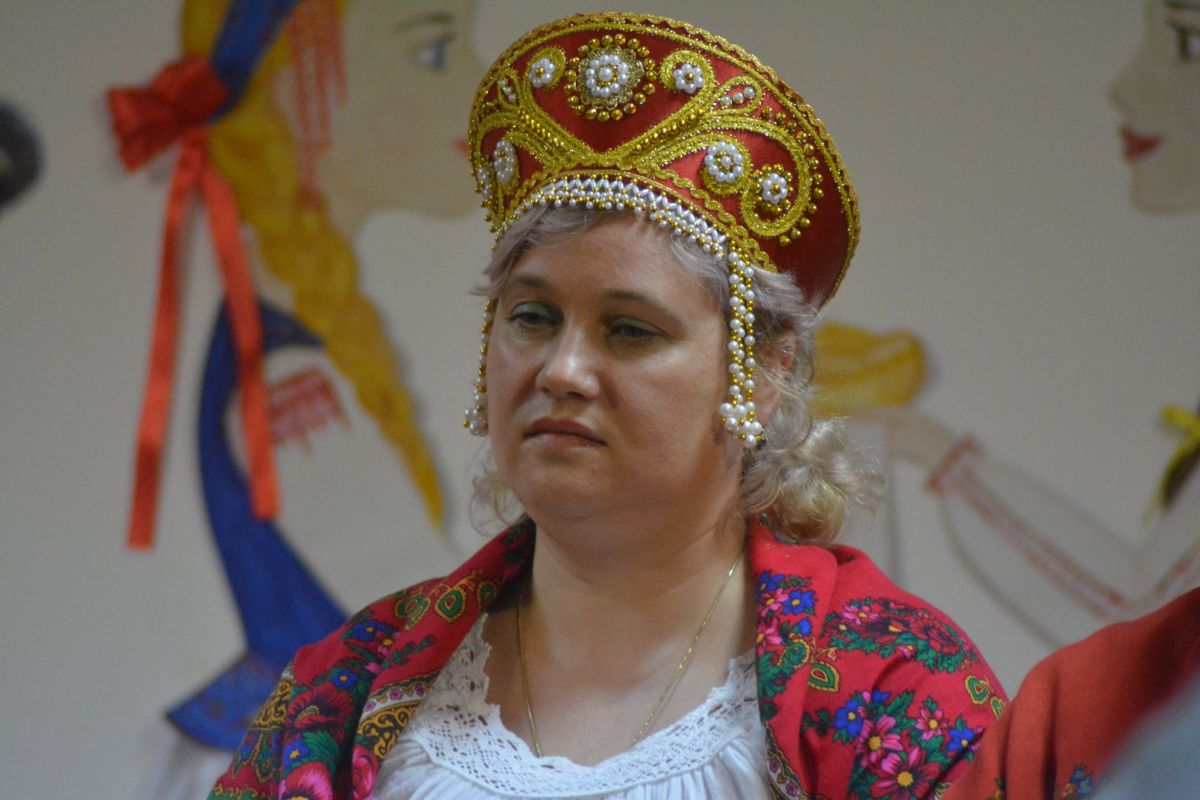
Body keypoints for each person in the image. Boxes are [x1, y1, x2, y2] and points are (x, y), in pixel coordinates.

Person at [211, 12, 1005, 799]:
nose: (562, 370)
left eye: (629, 330)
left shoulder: (893, 689)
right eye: (532, 317)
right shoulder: (346, 688)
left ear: (763, 372)